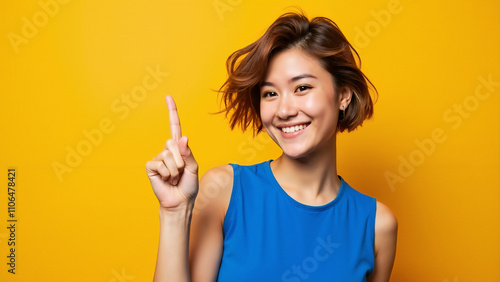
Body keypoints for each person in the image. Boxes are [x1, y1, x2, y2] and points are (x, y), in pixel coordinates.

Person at [146, 11, 398, 282]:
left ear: (343, 96)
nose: (284, 110)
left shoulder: (376, 226)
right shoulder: (225, 191)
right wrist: (174, 213)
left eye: (302, 88)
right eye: (270, 94)